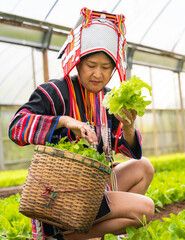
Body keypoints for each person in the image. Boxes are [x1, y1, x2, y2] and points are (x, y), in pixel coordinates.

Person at [8, 7, 155, 240]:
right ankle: (59, 237)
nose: (98, 74)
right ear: (77, 63)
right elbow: (17, 127)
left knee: (144, 166)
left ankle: (87, 233)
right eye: (91, 65)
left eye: (106, 67)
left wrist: (128, 127)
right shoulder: (54, 92)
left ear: (113, 70)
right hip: (59, 196)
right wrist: (65, 121)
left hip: (92, 190)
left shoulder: (109, 100)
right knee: (145, 210)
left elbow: (126, 148)